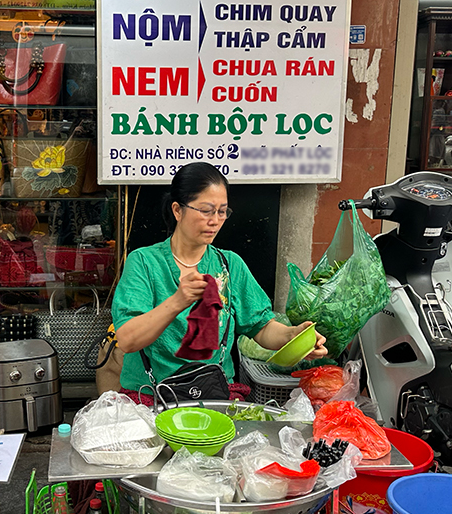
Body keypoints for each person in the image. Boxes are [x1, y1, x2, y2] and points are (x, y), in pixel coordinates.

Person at [112, 163, 326, 394]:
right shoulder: (144, 262)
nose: (215, 220)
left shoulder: (229, 265)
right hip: (150, 397)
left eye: (222, 211)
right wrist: (176, 302)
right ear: (177, 210)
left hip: (215, 394)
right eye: (206, 210)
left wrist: (291, 336)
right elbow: (127, 339)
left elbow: (261, 328)